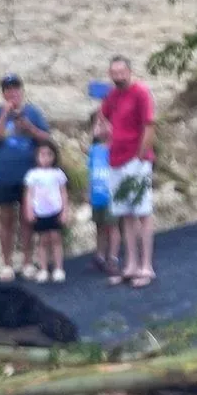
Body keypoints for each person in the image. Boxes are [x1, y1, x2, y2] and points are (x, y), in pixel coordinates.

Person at [96, 56, 158, 285]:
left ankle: (146, 266)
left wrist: (142, 155)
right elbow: (102, 117)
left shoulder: (140, 93)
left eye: (122, 72)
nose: (118, 76)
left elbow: (149, 125)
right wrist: (103, 131)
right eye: (114, 72)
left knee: (142, 211)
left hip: (135, 159)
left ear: (129, 71)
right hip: (116, 160)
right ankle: (131, 263)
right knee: (125, 213)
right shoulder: (112, 97)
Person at [0, 74, 54, 274]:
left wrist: (29, 128)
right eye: (8, 89)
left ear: (21, 91)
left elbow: (46, 138)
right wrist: (4, 115)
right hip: (3, 173)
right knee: (6, 219)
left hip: (28, 174)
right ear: (3, 93)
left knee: (27, 219)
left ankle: (27, 262)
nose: (12, 92)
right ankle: (6, 263)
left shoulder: (33, 112)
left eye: (15, 88)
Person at [84, 79, 118, 277]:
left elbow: (112, 131)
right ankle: (100, 255)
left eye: (103, 124)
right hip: (97, 193)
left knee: (112, 227)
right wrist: (88, 191)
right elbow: (91, 172)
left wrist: (106, 112)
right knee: (99, 226)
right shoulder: (94, 150)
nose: (100, 127)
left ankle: (112, 257)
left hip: (112, 194)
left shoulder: (113, 149)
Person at [22, 141, 69, 281]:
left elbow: (64, 193)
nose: (45, 157)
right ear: (36, 156)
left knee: (56, 239)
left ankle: (58, 268)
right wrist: (29, 210)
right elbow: (29, 194)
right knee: (42, 240)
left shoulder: (58, 174)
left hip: (55, 211)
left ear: (54, 156)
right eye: (42, 154)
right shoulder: (32, 175)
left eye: (49, 154)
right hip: (40, 212)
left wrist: (65, 211)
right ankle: (43, 268)